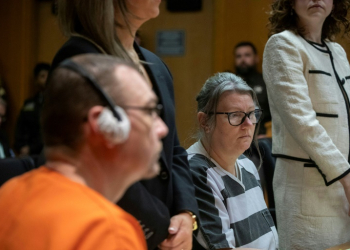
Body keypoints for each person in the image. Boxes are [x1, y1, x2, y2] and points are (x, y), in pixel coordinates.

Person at [50, 1, 199, 249]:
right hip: (104, 231)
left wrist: (185, 214)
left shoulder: (157, 65)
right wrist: (161, 226)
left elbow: (172, 149)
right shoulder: (79, 57)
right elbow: (94, 161)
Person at [0, 54, 169, 249]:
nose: (162, 128)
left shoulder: (9, 194)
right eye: (149, 111)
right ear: (103, 123)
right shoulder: (105, 231)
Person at [263, 0, 350, 249]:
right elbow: (302, 122)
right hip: (306, 189)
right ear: (290, 3)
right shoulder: (282, 45)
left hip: (345, 188)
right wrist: (347, 179)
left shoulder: (338, 52)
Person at [187, 72, 278, 250]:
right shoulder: (196, 172)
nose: (249, 124)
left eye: (252, 114)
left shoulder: (247, 164)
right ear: (204, 121)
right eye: (235, 115)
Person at [234, 42, 271, 135]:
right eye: (238, 56)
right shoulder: (229, 85)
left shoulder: (266, 82)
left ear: (256, 58)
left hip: (262, 136)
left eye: (247, 55)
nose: (242, 59)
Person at [14, 63, 50, 156]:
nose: (46, 79)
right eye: (42, 76)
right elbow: (20, 127)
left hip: (45, 151)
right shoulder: (29, 103)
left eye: (48, 76)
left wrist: (32, 148)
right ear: (36, 80)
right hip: (27, 153)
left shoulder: (55, 102)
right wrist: (20, 146)